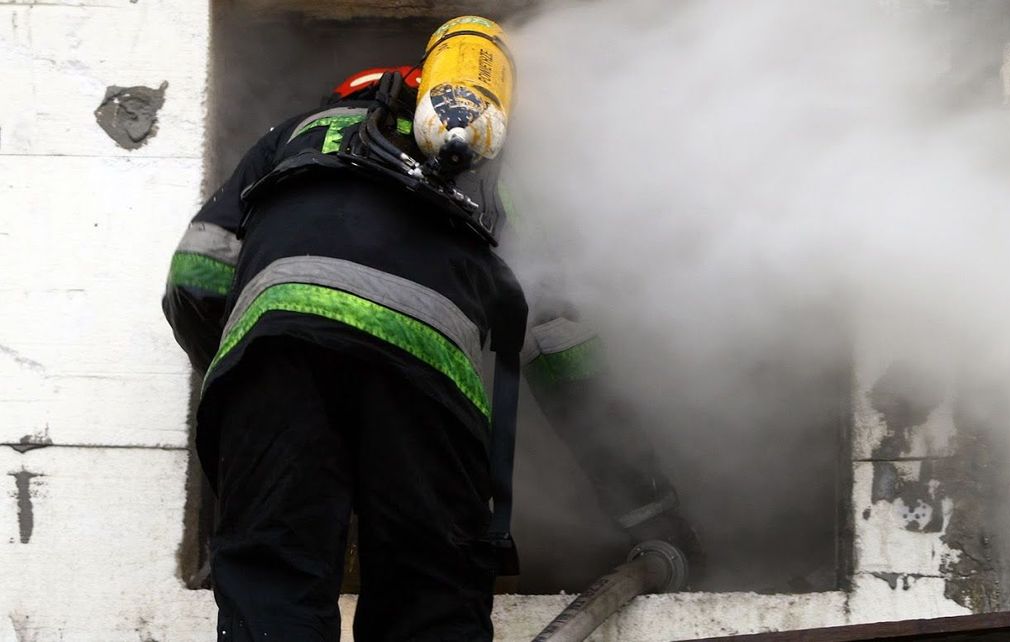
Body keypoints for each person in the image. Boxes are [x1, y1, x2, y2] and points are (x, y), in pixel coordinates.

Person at [162, 16, 695, 642]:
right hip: (426, 385)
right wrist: (652, 512)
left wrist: (246, 382)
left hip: (277, 359)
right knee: (428, 604)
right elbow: (565, 358)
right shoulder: (502, 186)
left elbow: (196, 273)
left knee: (272, 588)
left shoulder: (293, 136)